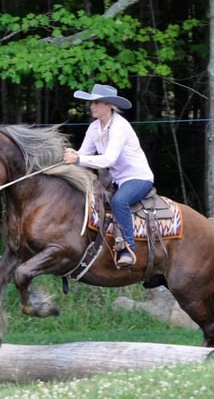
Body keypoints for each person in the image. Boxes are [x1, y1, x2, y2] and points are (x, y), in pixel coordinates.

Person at [63, 84, 154, 267]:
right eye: (92, 102)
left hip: (138, 178)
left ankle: (128, 247)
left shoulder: (120, 126)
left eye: (96, 102)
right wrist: (72, 154)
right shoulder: (95, 127)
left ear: (109, 105)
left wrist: (78, 159)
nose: (92, 106)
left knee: (119, 201)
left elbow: (108, 160)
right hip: (118, 180)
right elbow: (84, 153)